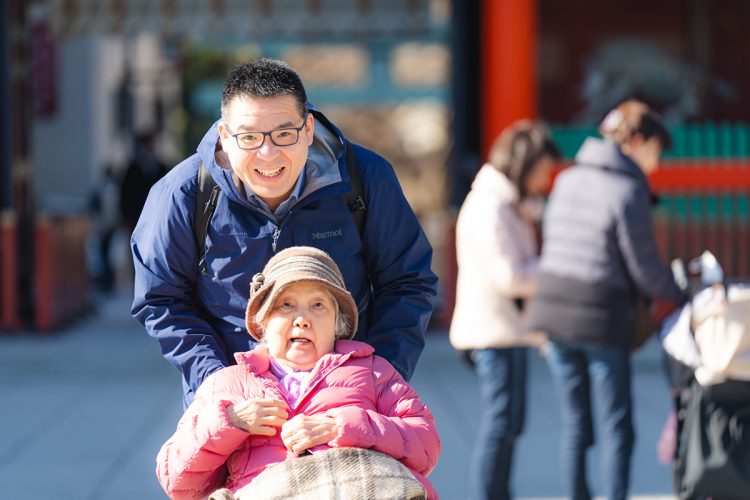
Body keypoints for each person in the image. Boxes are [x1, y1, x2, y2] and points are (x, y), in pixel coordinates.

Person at [130, 59, 437, 407]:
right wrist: (216, 381)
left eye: (284, 134)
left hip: (342, 404)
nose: (267, 152)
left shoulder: (364, 179)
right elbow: (162, 299)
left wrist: (376, 377)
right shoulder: (184, 194)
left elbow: (407, 281)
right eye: (249, 137)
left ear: (307, 130)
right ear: (224, 137)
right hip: (236, 408)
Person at [156, 246, 441, 499]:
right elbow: (177, 482)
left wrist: (342, 426)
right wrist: (229, 421)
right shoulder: (229, 385)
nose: (302, 319)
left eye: (318, 306)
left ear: (338, 324)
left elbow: (425, 444)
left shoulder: (372, 372)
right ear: (263, 322)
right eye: (286, 305)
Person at [527, 99, 687, 500]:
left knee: (576, 423)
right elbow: (644, 267)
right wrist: (681, 295)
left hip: (553, 310)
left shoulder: (567, 178)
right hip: (599, 315)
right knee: (618, 425)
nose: (657, 162)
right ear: (637, 142)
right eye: (656, 152)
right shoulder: (628, 188)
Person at [449, 120, 560, 500]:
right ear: (525, 164)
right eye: (543, 169)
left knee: (509, 424)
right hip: (494, 332)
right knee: (502, 424)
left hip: (505, 329)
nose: (546, 178)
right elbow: (509, 275)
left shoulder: (505, 203)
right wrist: (558, 264)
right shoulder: (491, 207)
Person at [119, 132, 168, 233]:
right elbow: (125, 194)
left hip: (155, 216)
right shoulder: (133, 169)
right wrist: (126, 217)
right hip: (136, 217)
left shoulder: (160, 168)